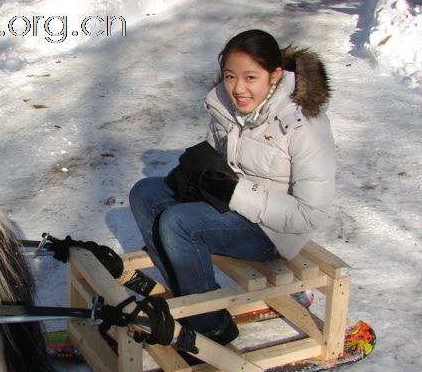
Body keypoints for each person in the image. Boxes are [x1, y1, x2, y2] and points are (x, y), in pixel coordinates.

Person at [129, 29, 336, 345]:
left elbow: (310, 214)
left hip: (272, 230)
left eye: (251, 77)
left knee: (178, 223)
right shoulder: (224, 104)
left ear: (275, 75)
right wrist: (195, 177)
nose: (238, 88)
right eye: (230, 76)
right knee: (145, 193)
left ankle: (211, 325)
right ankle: (190, 300)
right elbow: (222, 160)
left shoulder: (302, 124)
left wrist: (236, 192)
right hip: (229, 205)